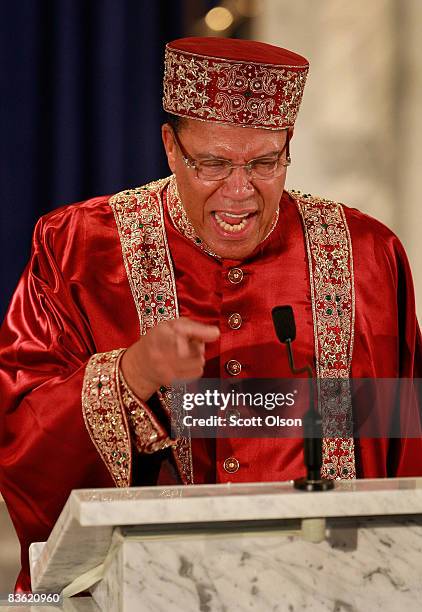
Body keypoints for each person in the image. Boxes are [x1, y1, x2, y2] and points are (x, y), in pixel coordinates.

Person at [0, 36, 421, 591]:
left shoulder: (367, 253)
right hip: (145, 589)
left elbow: (402, 442)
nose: (240, 192)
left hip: (328, 586)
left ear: (288, 146)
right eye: (214, 164)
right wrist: (131, 374)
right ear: (171, 147)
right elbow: (21, 435)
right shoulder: (79, 246)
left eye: (266, 163)